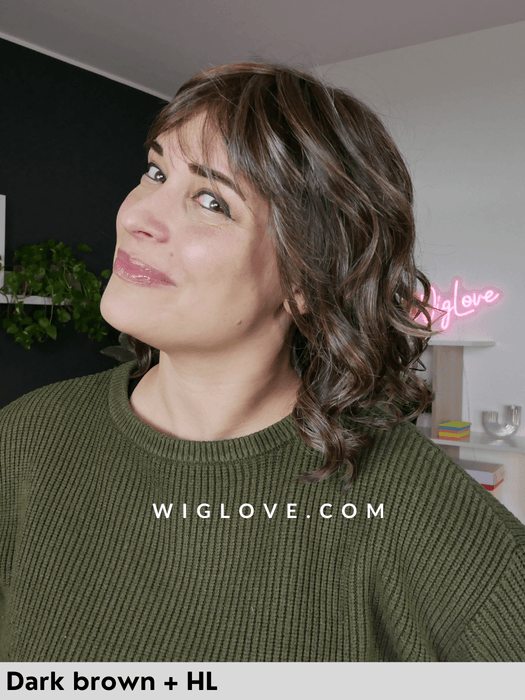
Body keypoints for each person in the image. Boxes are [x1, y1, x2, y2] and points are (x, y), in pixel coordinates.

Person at [1, 62, 524, 663]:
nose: (135, 217)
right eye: (155, 171)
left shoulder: (412, 503)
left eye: (210, 201)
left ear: (307, 278)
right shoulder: (27, 439)